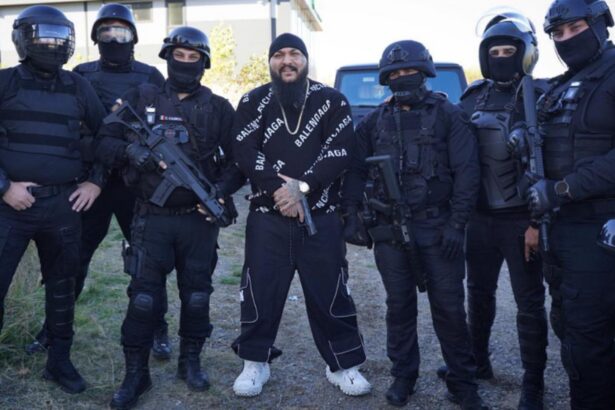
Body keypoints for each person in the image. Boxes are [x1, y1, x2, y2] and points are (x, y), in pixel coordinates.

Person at [96, 26, 242, 409]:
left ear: (204, 64)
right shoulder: (141, 97)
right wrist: (132, 153)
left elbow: (239, 162)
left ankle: (190, 362)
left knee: (196, 296)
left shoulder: (218, 108)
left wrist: (219, 192)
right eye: (180, 56)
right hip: (150, 218)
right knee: (143, 299)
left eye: (194, 58)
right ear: (167, 58)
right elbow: (104, 141)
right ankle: (136, 374)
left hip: (197, 221)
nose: (186, 63)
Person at [342, 40, 487, 409]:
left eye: (410, 71)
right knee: (399, 306)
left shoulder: (448, 115)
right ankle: (403, 376)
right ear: (386, 79)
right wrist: (353, 213)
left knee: (449, 308)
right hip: (390, 230)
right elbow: (354, 171)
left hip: (438, 228)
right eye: (396, 73)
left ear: (424, 73)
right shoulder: (373, 122)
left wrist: (457, 224)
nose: (403, 77)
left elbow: (467, 172)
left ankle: (462, 382)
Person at [24, 2, 172, 361]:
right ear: (96, 36)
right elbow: (75, 128)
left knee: (147, 260)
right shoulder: (82, 74)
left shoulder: (151, 75)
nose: (113, 38)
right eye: (106, 31)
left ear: (133, 37)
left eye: (121, 32)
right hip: (90, 182)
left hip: (136, 183)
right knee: (72, 258)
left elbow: (165, 125)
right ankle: (53, 330)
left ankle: (157, 327)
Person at [230, 33, 371, 398]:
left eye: (295, 54)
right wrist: (281, 191)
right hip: (267, 217)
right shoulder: (253, 101)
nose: (287, 61)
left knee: (332, 292)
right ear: (270, 62)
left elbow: (340, 151)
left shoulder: (332, 101)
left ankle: (342, 365)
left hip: (321, 218)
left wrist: (303, 187)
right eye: (279, 54)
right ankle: (254, 362)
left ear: (306, 60)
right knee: (259, 292)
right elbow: (244, 150)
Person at [434, 12, 548, 410]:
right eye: (494, 51)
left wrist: (537, 223)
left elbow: (549, 162)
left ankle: (533, 384)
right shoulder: (472, 96)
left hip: (521, 218)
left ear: (525, 53)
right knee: (478, 294)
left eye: (508, 51)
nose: (501, 57)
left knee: (529, 303)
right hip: (479, 219)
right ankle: (477, 362)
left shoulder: (542, 95)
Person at [0, 5, 107, 393]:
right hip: (9, 207)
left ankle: (59, 362)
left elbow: (106, 135)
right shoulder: (5, 82)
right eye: (44, 35)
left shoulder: (78, 86)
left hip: (62, 206)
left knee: (63, 289)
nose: (53, 44)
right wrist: (4, 188)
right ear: (23, 39)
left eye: (60, 37)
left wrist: (95, 182)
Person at [527, 0, 615, 408]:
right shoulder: (562, 86)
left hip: (602, 229)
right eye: (557, 34)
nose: (565, 39)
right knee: (571, 329)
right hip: (562, 230)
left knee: (589, 340)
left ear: (599, 25)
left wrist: (562, 189)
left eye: (574, 28)